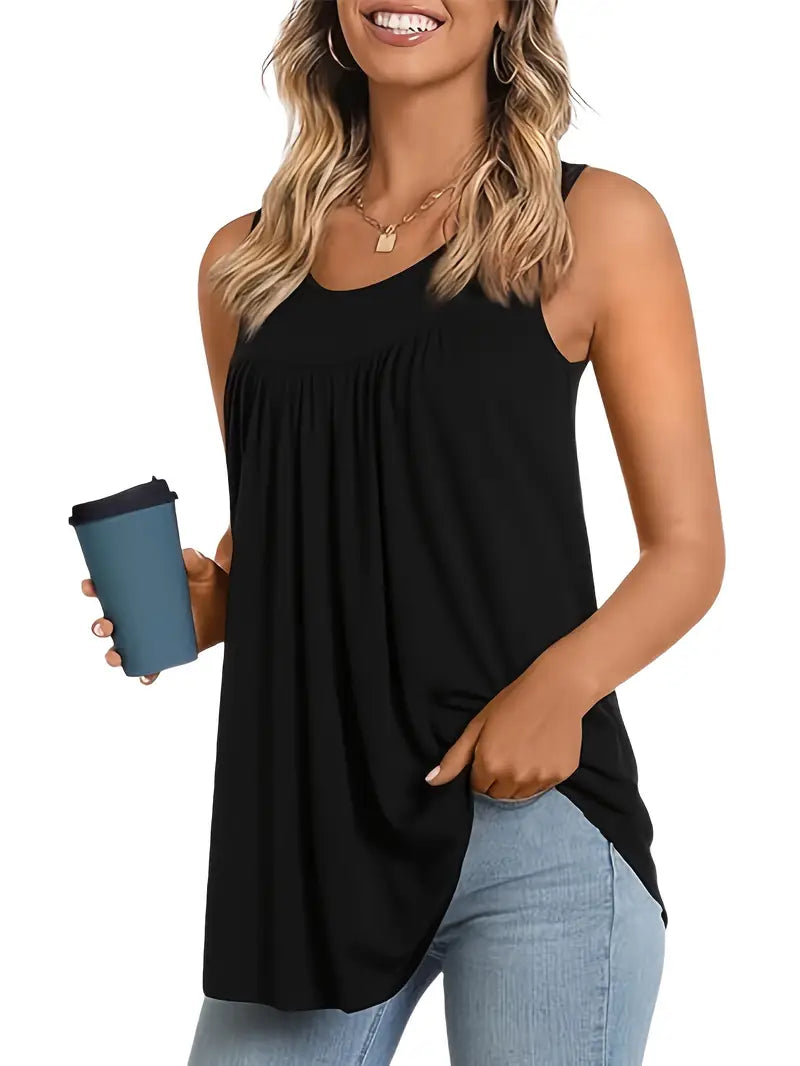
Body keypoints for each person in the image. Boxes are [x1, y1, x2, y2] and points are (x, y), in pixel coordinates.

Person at [82, 2, 725, 1063]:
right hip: (308, 846)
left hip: (532, 829)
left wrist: (558, 690)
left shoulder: (594, 224)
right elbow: (300, 520)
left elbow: (688, 551)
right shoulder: (244, 264)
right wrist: (218, 600)